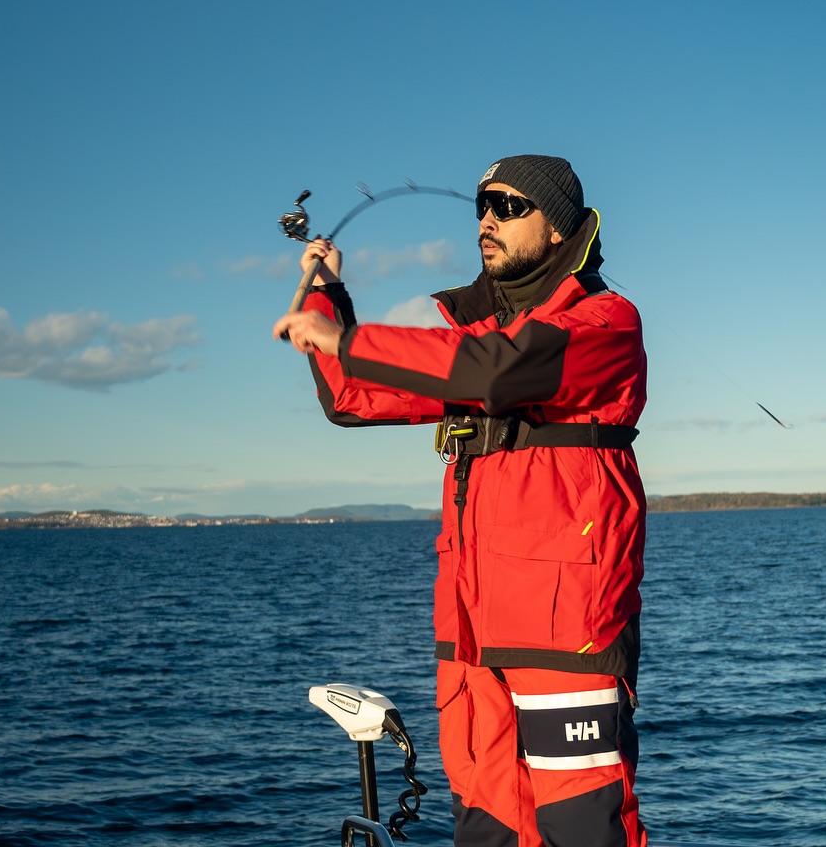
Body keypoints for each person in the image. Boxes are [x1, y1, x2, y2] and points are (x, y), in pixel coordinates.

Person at [273, 155, 648, 847]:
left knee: (580, 826)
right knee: (485, 823)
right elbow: (355, 396)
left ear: (561, 229)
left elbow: (504, 370)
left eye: (509, 206)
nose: (487, 219)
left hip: (564, 634)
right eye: (482, 205)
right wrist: (327, 295)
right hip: (471, 639)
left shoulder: (605, 323)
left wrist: (349, 339)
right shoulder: (473, 346)